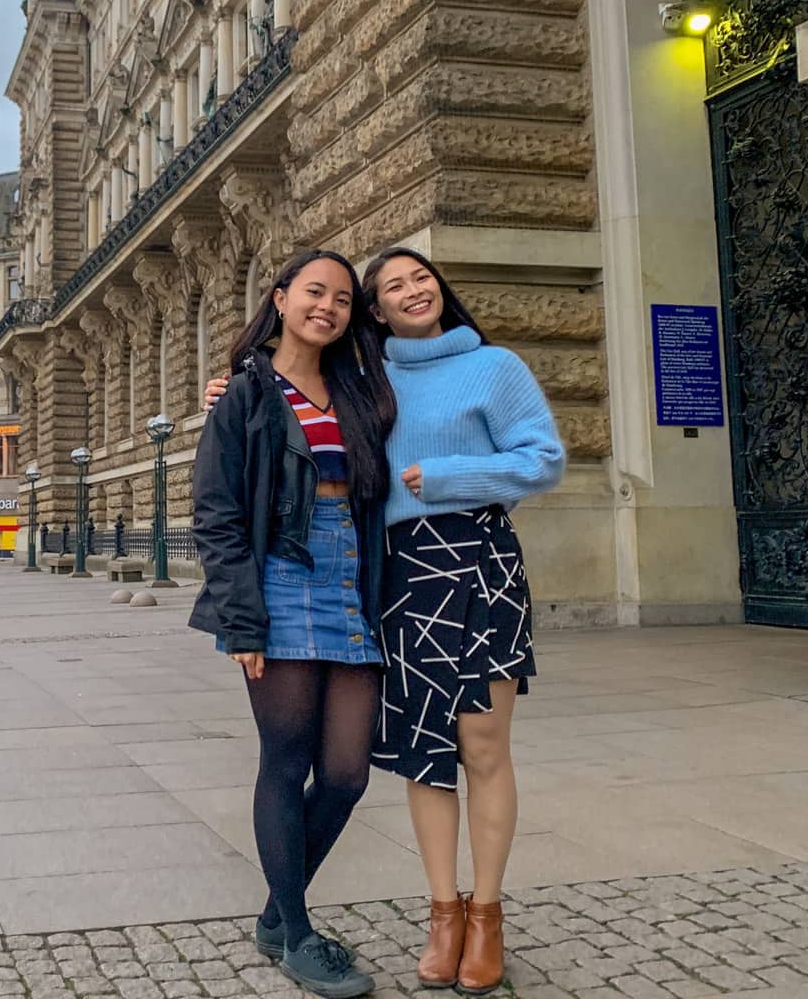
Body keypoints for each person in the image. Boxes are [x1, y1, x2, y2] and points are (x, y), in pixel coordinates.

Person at [207, 248, 563, 995]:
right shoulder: (322, 384)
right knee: (358, 754)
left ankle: (477, 915)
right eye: (389, 285)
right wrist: (233, 397)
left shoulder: (438, 375)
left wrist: (448, 480)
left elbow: (540, 458)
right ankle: (332, 924)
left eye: (419, 276)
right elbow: (229, 495)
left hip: (423, 572)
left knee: (402, 760)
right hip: (348, 578)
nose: (409, 290)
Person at [191, 249, 396, 999]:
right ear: (280, 299)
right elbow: (216, 515)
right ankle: (299, 934)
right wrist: (243, 620)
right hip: (280, 579)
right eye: (315, 292)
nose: (329, 307)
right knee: (285, 762)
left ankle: (278, 911)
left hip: (352, 582)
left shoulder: (359, 386)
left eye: (343, 299)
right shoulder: (245, 394)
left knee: (345, 773)